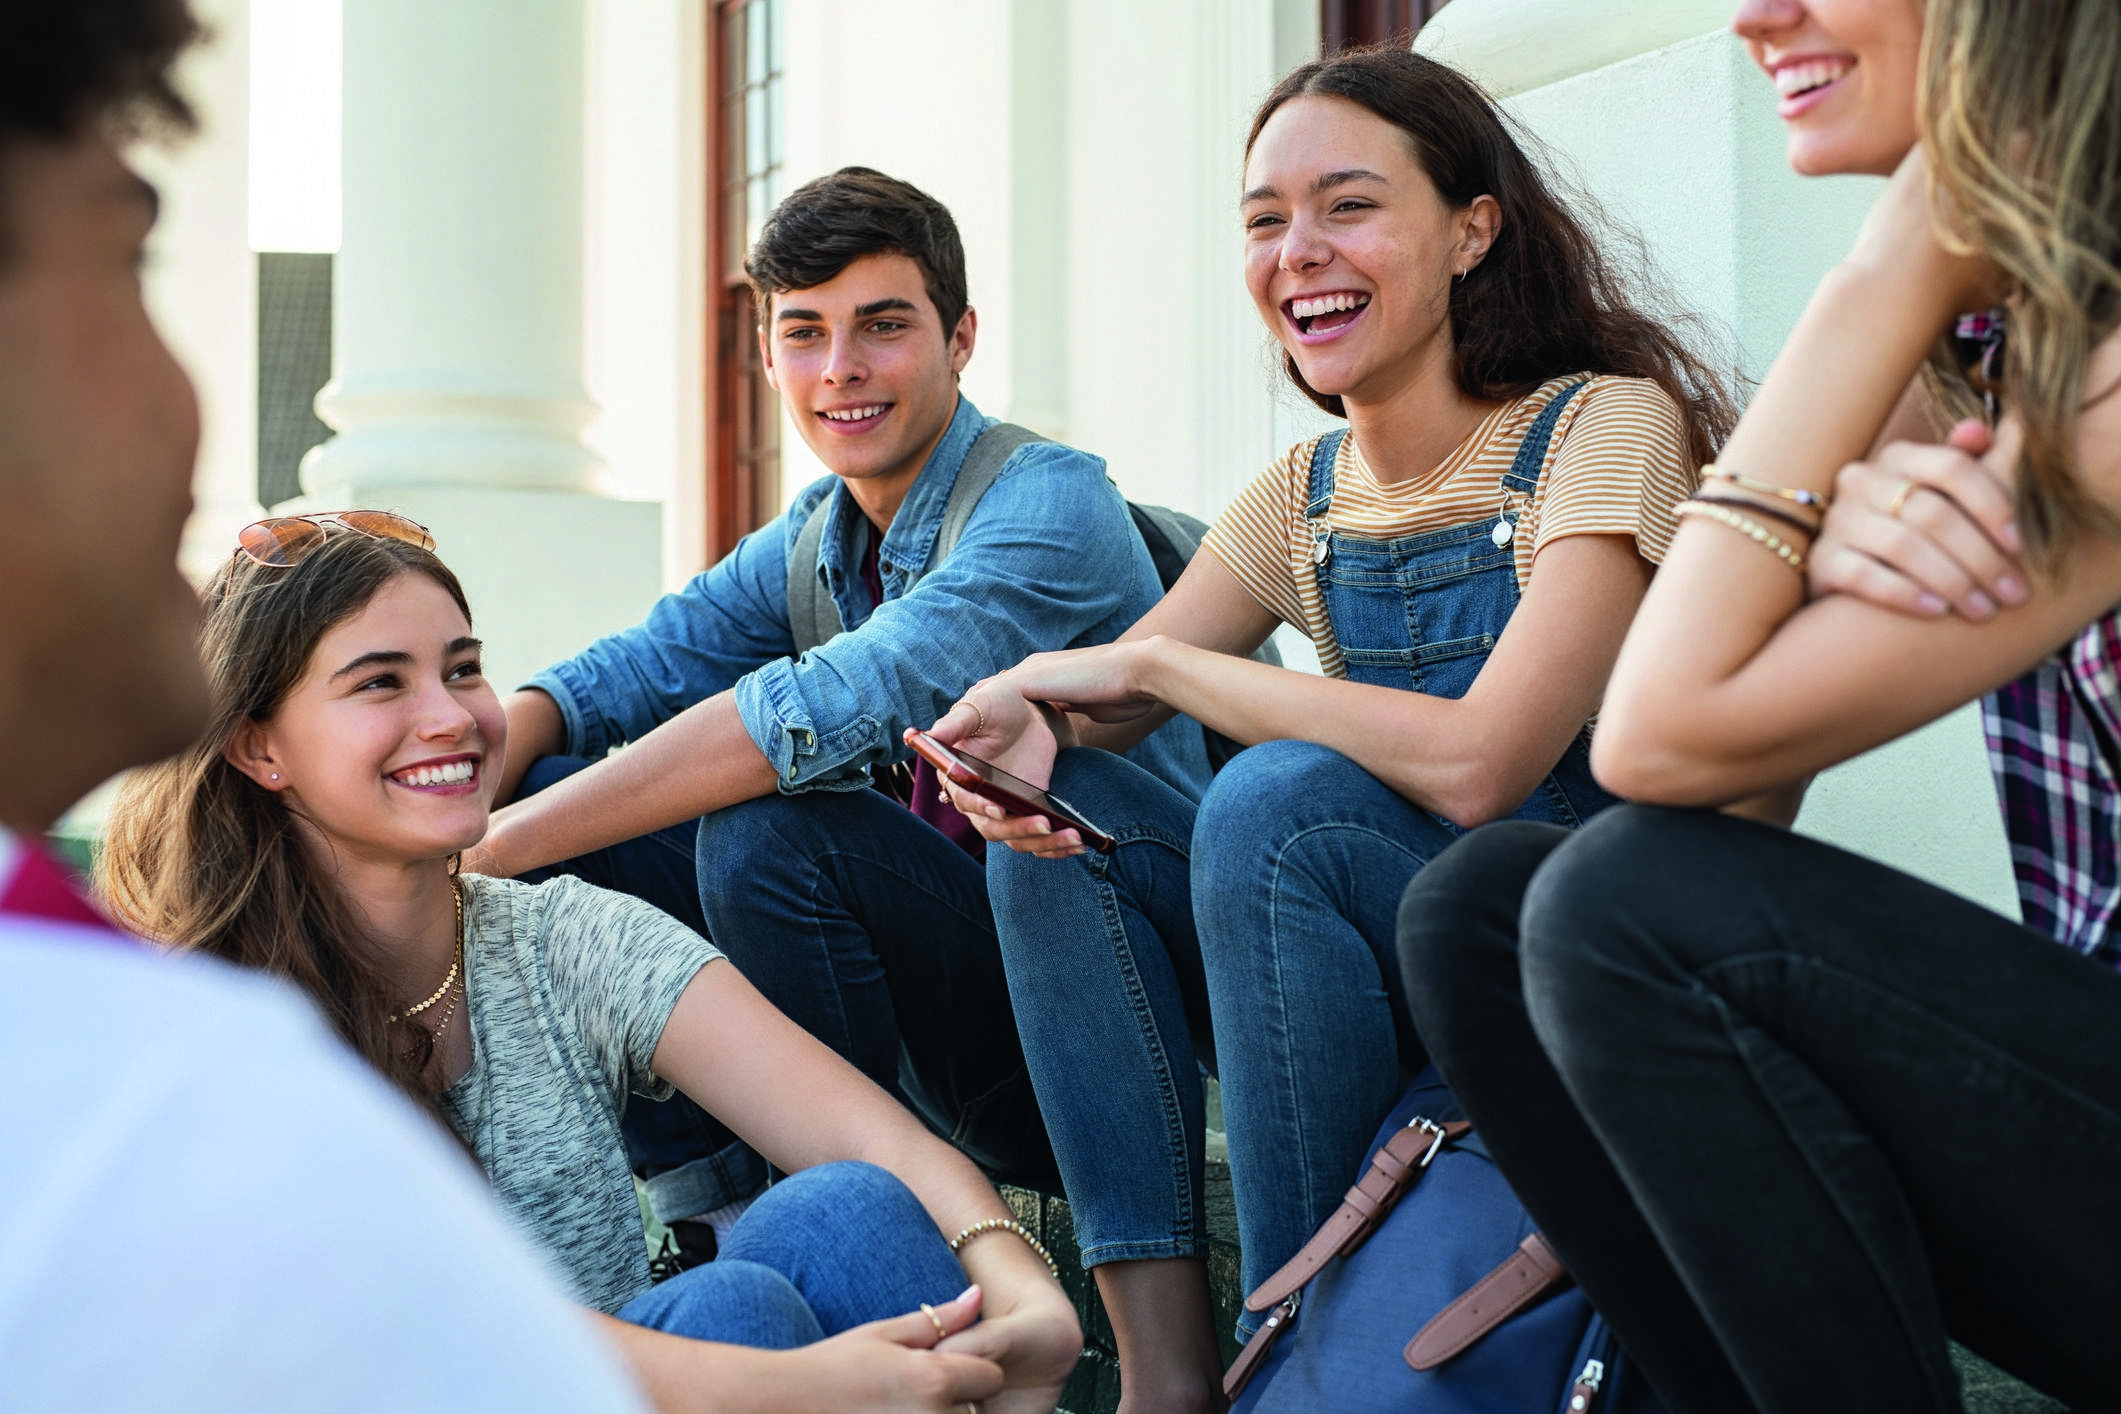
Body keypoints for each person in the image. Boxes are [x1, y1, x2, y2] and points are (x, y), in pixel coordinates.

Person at [923, 46, 1739, 1414]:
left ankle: (1300, 1360)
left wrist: (1166, 673)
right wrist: (1030, 720)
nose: (1298, 252)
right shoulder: (1301, 489)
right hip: (1361, 955)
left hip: (1559, 963)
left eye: (1348, 205)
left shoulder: (1602, 426)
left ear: (1473, 228)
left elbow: (1486, 762)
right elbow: (1129, 684)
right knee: (1059, 840)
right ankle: (1172, 1378)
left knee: (1279, 801)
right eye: (1263, 219)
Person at [1396, 0, 2121, 1409]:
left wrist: (1889, 258)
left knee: (1611, 904)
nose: (1753, 13)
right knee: (1487, 909)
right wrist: (1812, 538)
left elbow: (1651, 740)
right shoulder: (1989, 347)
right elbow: (1707, 802)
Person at [0, 1, 649, 1409]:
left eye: (462, 666)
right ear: (260, 746)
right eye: (126, 264)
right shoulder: (152, 1095)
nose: (188, 403)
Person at [101, 517, 1082, 1413]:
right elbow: (423, 1333)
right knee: (733, 1312)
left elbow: (882, 1144)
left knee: (846, 1211)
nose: (450, 717)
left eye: (463, 668)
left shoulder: (551, 941)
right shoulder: (222, 1021)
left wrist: (1024, 1289)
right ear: (257, 745)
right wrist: (787, 1382)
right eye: (380, 682)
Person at [469, 166, 1211, 1236]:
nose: (841, 371)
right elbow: (613, 678)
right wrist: (458, 823)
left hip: (1088, 1034)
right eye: (804, 333)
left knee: (770, 833)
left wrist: (479, 855)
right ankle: (716, 1216)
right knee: (559, 795)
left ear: (961, 337)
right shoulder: (823, 533)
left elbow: (805, 715)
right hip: (925, 993)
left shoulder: (1049, 502)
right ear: (766, 351)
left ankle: (844, 1225)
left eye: (883, 326)